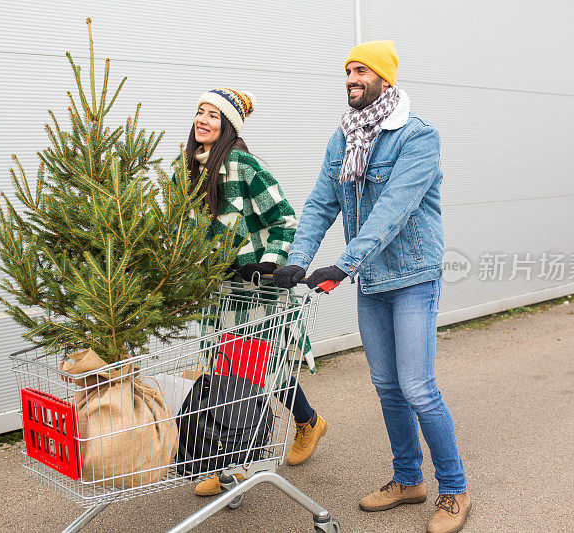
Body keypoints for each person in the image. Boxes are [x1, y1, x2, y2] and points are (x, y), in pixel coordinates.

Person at [273, 42, 471, 533]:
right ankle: (408, 480)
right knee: (386, 387)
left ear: (385, 78)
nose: (351, 78)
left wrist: (342, 264)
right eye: (347, 71)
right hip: (373, 281)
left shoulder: (417, 136)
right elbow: (321, 203)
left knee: (418, 388)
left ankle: (453, 489)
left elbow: (393, 210)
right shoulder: (343, 139)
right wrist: (296, 262)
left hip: (412, 276)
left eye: (361, 70)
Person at [180, 88, 328, 497]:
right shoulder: (186, 168)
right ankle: (308, 421)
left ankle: (236, 464)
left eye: (213, 115)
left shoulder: (242, 165)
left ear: (228, 126)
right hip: (217, 288)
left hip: (256, 289)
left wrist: (269, 262)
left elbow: (284, 217)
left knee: (253, 373)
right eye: (199, 112)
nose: (203, 120)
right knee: (224, 369)